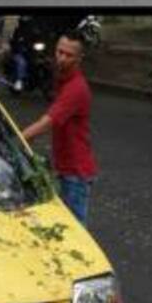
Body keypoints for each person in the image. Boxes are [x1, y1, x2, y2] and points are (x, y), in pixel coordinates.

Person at [20, 35, 98, 225]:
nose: (61, 58)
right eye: (59, 52)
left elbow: (47, 123)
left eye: (69, 55)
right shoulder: (62, 79)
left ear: (79, 58)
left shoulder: (76, 88)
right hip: (65, 169)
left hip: (75, 173)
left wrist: (16, 139)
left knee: (73, 233)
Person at [7, 15, 44, 94]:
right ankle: (19, 81)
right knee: (22, 63)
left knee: (42, 61)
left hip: (31, 53)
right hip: (19, 53)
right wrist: (19, 45)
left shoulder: (35, 30)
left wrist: (40, 44)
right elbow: (13, 41)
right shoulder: (18, 31)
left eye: (27, 18)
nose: (26, 20)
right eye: (24, 19)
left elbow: (39, 39)